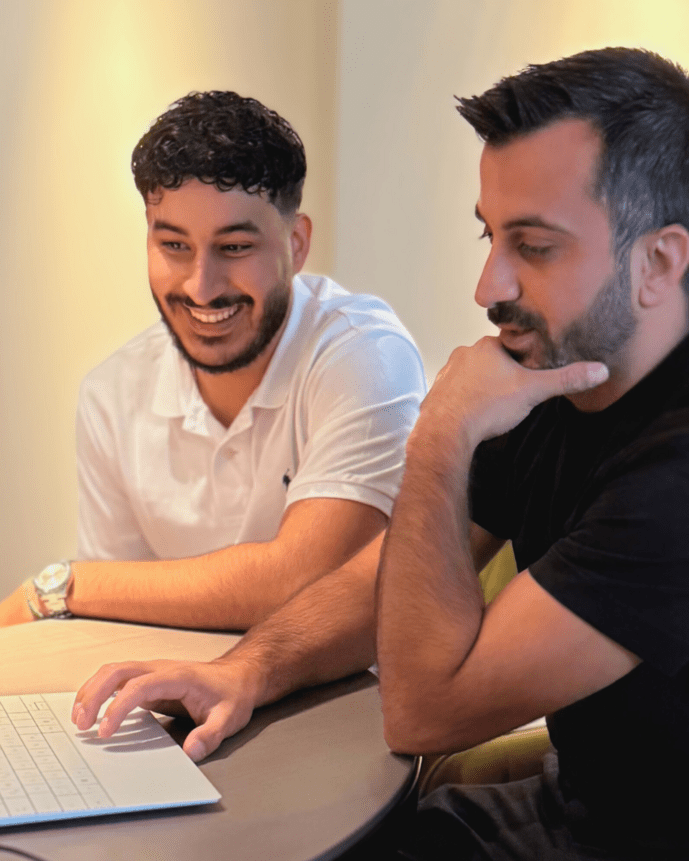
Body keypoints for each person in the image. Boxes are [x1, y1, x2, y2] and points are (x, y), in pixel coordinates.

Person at [73, 47, 689, 860]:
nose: (486, 284)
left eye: (532, 246)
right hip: (573, 803)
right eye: (489, 235)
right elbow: (382, 578)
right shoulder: (561, 383)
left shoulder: (670, 481)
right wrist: (247, 669)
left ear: (659, 261)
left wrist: (440, 435)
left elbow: (425, 709)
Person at [0, 91, 425, 631]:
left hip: (352, 699)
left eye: (234, 248)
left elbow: (307, 581)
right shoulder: (112, 393)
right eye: (175, 246)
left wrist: (64, 586)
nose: (202, 288)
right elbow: (110, 624)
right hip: (182, 699)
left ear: (296, 244)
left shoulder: (363, 353)